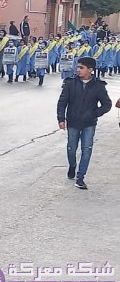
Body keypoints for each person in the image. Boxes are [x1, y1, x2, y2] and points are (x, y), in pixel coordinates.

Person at [56, 57, 112, 190]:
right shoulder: (70, 83)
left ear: (90, 70)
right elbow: (62, 102)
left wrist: (94, 113)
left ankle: (80, 178)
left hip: (89, 123)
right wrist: (61, 119)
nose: (78, 70)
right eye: (78, 67)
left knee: (86, 150)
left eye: (81, 68)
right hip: (73, 121)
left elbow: (107, 104)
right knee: (71, 148)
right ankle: (72, 166)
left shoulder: (98, 86)